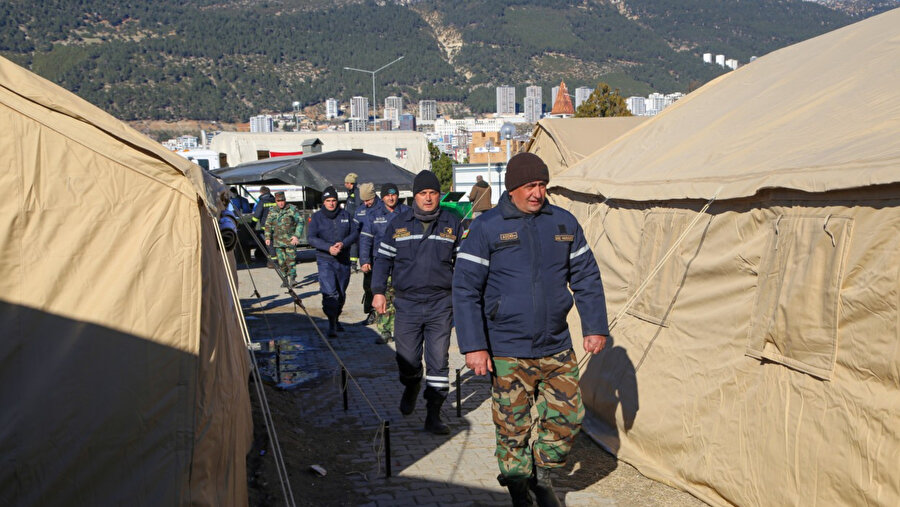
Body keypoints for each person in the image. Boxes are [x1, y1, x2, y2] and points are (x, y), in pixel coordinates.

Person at [452, 152, 610, 507]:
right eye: (530, 186)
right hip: (507, 348)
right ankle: (518, 487)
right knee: (513, 427)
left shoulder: (563, 223)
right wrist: (474, 346)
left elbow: (586, 277)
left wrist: (594, 327)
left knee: (568, 419)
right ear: (513, 188)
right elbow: (464, 289)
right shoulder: (487, 227)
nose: (537, 193)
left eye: (542, 185)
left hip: (556, 344)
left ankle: (542, 473)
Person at [372, 171, 461, 435]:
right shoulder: (398, 224)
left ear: (439, 195)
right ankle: (411, 384)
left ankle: (433, 415)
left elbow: (463, 265)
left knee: (439, 361)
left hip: (440, 304)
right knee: (408, 359)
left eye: (433, 193)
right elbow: (383, 260)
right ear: (415, 196)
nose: (428, 198)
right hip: (407, 304)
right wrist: (378, 291)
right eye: (423, 193)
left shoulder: (452, 223)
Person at [359, 182, 409, 344]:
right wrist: (364, 260)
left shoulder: (407, 212)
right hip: (381, 264)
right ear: (383, 197)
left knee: (402, 297)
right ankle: (384, 331)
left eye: (394, 194)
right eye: (387, 195)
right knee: (383, 297)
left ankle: (403, 330)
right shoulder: (374, 215)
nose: (391, 197)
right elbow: (366, 239)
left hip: (404, 263)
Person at [308, 186, 359, 337]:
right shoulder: (317, 217)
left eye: (334, 200)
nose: (331, 204)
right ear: (323, 202)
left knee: (341, 293)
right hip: (325, 260)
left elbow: (355, 233)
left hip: (343, 260)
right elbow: (311, 238)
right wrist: (328, 248)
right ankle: (331, 323)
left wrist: (343, 244)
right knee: (330, 293)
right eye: (328, 201)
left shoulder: (345, 215)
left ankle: (336, 318)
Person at [264, 191, 304, 288]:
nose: (281, 203)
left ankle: (293, 279)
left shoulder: (292, 209)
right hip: (278, 241)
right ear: (275, 201)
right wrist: (267, 237)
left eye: (282, 200)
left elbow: (300, 222)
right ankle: (284, 279)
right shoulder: (272, 210)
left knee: (291, 260)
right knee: (281, 262)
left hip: (290, 240)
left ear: (285, 200)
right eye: (278, 201)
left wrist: (296, 235)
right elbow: (268, 224)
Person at [353, 183, 378, 322]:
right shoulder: (360, 210)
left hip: (380, 254)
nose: (366, 203)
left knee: (382, 286)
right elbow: (354, 231)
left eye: (368, 200)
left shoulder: (383, 208)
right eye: (364, 200)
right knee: (368, 285)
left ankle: (382, 314)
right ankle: (370, 311)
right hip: (366, 254)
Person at [252, 186, 277, 265]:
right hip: (276, 227)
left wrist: (252, 225)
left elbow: (257, 215)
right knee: (275, 244)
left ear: (261, 193)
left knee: (269, 244)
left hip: (265, 228)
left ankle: (273, 262)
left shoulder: (262, 201)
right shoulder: (275, 200)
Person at [343, 172, 362, 270]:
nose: (345, 185)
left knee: (354, 241)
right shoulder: (350, 191)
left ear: (351, 183)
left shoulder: (357, 192)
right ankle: (352, 262)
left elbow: (358, 207)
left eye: (346, 183)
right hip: (350, 220)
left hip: (356, 221)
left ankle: (354, 263)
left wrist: (355, 219)